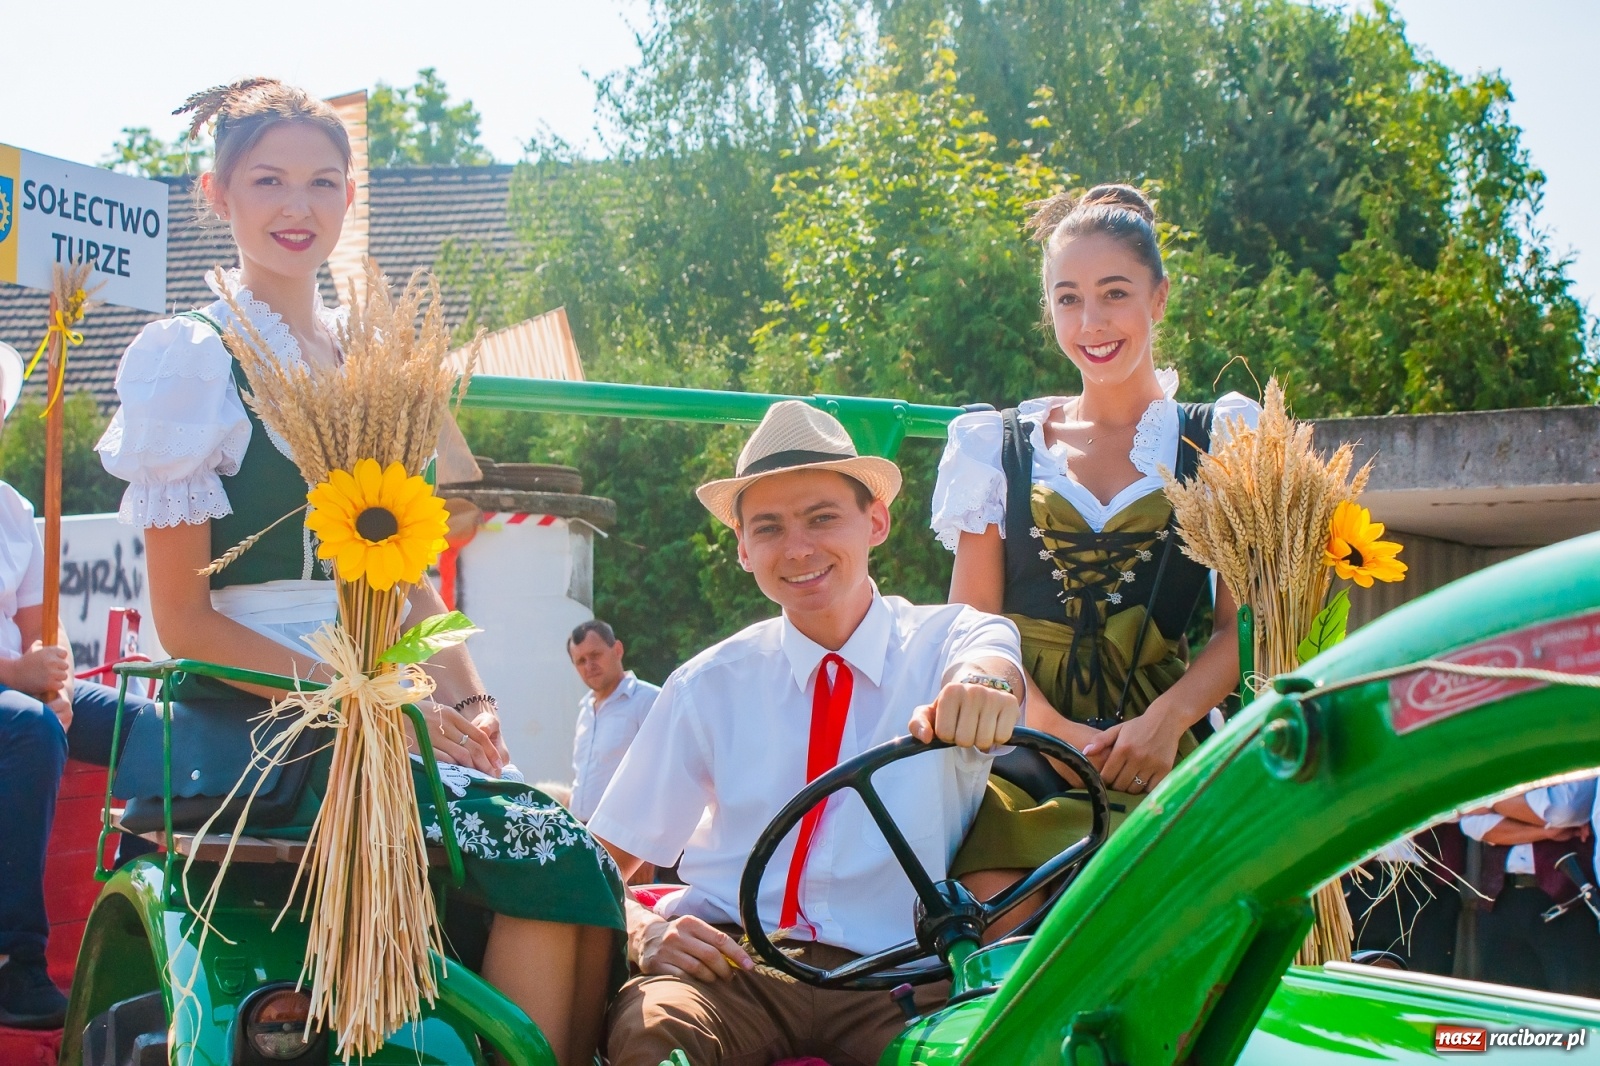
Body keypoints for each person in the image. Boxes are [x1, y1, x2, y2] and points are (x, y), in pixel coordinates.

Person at [93, 79, 621, 1066]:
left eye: (322, 183)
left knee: (571, 848)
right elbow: (183, 620)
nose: (298, 207)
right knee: (552, 854)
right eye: (268, 180)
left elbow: (406, 577)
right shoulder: (192, 360)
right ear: (218, 194)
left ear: (347, 199)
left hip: (388, 700)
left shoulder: (369, 362)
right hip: (265, 712)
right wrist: (357, 698)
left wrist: (476, 700)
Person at [589, 401, 1025, 1066]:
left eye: (822, 518)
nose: (797, 548)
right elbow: (597, 862)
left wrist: (981, 694)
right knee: (654, 1034)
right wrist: (644, 929)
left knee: (985, 1051)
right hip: (735, 968)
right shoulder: (706, 684)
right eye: (769, 528)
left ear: (875, 521)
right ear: (742, 548)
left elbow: (992, 670)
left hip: (899, 976)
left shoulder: (953, 639)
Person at [930, 184, 1256, 895]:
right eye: (1068, 298)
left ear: (1159, 298)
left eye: (1114, 293)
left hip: (1166, 747)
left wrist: (1165, 721)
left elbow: (1242, 627)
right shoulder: (998, 445)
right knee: (996, 917)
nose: (1091, 321)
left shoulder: (1223, 439)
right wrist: (1054, 733)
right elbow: (973, 627)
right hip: (1021, 744)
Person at [0, 341, 157, 1029]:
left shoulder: (11, 510)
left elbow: (44, 626)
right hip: (9, 697)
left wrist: (54, 672)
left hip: (19, 692)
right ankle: (18, 964)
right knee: (29, 728)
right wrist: (17, 675)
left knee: (154, 725)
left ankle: (131, 924)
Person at [1459, 779, 1600, 996]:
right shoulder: (1504, 755)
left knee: (1573, 1012)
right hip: (1501, 900)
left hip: (1568, 905)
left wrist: (1490, 802)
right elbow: (1471, 823)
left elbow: (1564, 811)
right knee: (1504, 1013)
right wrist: (1547, 832)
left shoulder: (1574, 753)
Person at [567, 619, 659, 824]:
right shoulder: (585, 711)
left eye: (595, 655)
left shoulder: (649, 701)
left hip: (626, 835)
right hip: (583, 832)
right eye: (580, 661)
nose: (589, 666)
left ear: (617, 650)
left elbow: (665, 774)